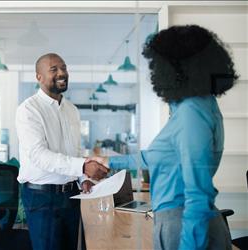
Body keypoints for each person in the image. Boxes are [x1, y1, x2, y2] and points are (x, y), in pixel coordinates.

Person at [89, 25, 238, 250]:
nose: (155, 72)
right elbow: (162, 156)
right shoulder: (192, 106)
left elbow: (198, 194)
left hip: (184, 226)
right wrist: (112, 162)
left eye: (158, 63)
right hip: (174, 221)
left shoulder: (192, 112)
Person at [16, 53, 109, 250]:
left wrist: (82, 177)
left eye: (64, 68)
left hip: (71, 196)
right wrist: (83, 165)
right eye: (54, 69)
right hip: (42, 198)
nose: (62, 73)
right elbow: (39, 155)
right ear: (39, 77)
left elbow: (73, 151)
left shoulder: (72, 110)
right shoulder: (28, 110)